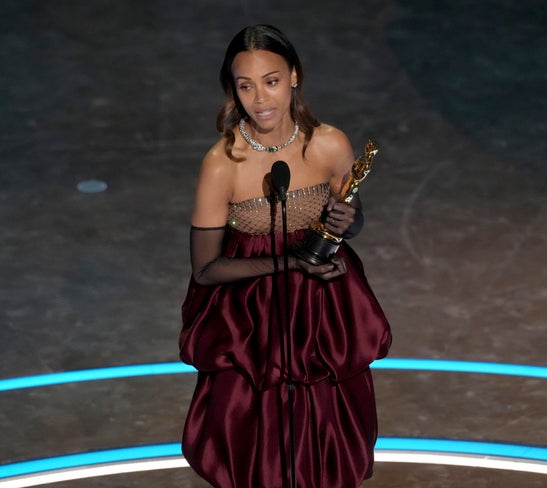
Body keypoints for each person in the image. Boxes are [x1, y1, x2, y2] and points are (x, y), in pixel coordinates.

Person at [179, 24, 392, 488]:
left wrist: (343, 224)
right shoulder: (222, 163)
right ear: (232, 91)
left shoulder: (330, 144)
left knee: (325, 443)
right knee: (258, 452)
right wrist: (291, 263)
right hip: (251, 325)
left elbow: (351, 221)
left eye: (271, 81)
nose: (260, 99)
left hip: (321, 315)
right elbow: (206, 269)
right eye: (246, 85)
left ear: (294, 77)